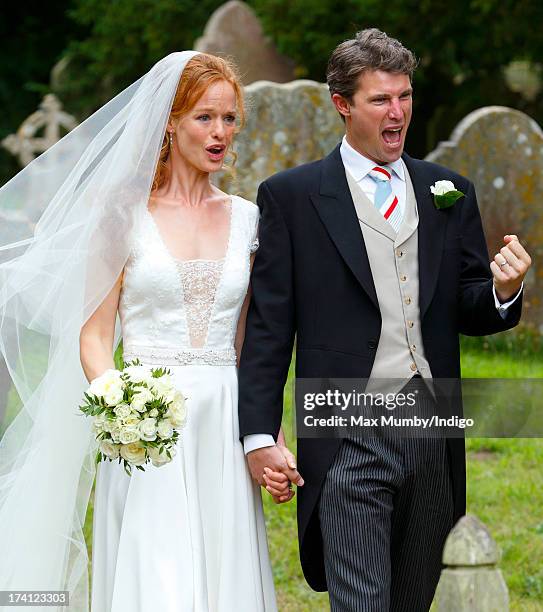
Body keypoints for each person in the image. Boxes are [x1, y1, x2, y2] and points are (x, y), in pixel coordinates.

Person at [238, 29, 532, 611]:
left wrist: (503, 290)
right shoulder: (292, 198)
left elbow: (467, 306)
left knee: (416, 598)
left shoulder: (448, 191)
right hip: (346, 430)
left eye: (404, 96)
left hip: (432, 430)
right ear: (342, 104)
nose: (397, 113)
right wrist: (258, 435)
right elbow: (270, 329)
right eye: (380, 100)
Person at [0, 52, 292, 611]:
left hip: (223, 421)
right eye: (205, 117)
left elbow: (246, 344)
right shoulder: (120, 215)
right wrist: (125, 409)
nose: (220, 133)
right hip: (146, 427)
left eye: (230, 119)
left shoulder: (249, 220)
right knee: (157, 579)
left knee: (221, 575)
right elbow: (93, 337)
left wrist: (267, 435)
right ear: (170, 121)